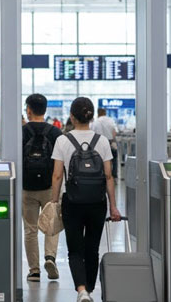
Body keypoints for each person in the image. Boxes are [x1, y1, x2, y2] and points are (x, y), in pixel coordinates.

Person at [50, 97, 121, 302]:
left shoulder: (62, 140)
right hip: (97, 202)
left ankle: (81, 290)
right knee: (92, 247)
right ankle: (88, 289)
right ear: (91, 117)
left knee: (74, 249)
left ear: (72, 116)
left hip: (71, 201)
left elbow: (57, 175)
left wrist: (54, 202)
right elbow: (108, 176)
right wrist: (113, 207)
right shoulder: (102, 141)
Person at [22, 94, 63, 283]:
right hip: (50, 186)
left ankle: (34, 270)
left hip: (27, 187)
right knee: (51, 225)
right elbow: (60, 163)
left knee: (30, 229)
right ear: (45, 110)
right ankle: (50, 257)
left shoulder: (21, 132)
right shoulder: (55, 133)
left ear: (28, 110)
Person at [91, 108, 119, 178]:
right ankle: (113, 175)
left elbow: (92, 133)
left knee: (100, 160)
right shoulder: (111, 120)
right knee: (113, 158)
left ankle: (101, 175)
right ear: (105, 113)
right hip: (110, 142)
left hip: (98, 143)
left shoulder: (96, 122)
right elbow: (115, 131)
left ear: (98, 113)